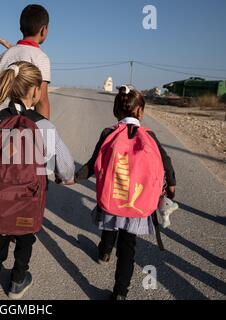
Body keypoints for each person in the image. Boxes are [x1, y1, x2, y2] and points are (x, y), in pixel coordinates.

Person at [0, 61, 75, 300]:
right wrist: (63, 177)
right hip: (27, 202)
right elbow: (67, 169)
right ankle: (17, 279)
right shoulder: (44, 126)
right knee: (26, 237)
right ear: (35, 91)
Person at [75, 85, 176, 300]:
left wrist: (74, 178)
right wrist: (172, 185)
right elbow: (166, 162)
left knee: (110, 223)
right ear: (140, 111)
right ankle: (120, 293)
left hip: (114, 196)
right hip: (137, 201)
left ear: (116, 110)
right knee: (128, 246)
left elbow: (94, 163)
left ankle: (104, 252)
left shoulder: (108, 133)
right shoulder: (149, 135)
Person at [0, 4, 52, 119]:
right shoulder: (41, 58)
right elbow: (41, 101)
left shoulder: (4, 56)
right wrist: (45, 132)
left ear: (20, 28)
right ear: (44, 30)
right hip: (21, 125)